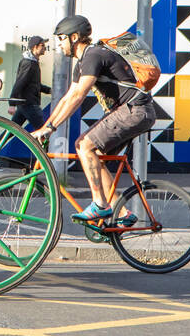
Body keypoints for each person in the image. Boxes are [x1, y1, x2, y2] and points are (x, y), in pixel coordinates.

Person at [32, 15, 157, 223]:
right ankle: (122, 212)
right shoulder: (81, 63)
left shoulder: (94, 55)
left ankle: (100, 203)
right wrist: (46, 127)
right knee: (93, 154)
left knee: (83, 145)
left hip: (134, 110)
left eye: (61, 38)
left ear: (74, 37)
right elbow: (67, 98)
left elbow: (79, 95)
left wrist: (52, 127)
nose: (58, 44)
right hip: (133, 111)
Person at [10, 36, 51, 129]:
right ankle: (45, 144)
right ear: (35, 47)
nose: (45, 48)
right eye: (42, 45)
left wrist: (49, 90)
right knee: (43, 130)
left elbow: (34, 84)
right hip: (29, 104)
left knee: (12, 129)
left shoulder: (33, 62)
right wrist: (12, 104)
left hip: (25, 104)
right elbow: (19, 83)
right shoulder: (29, 63)